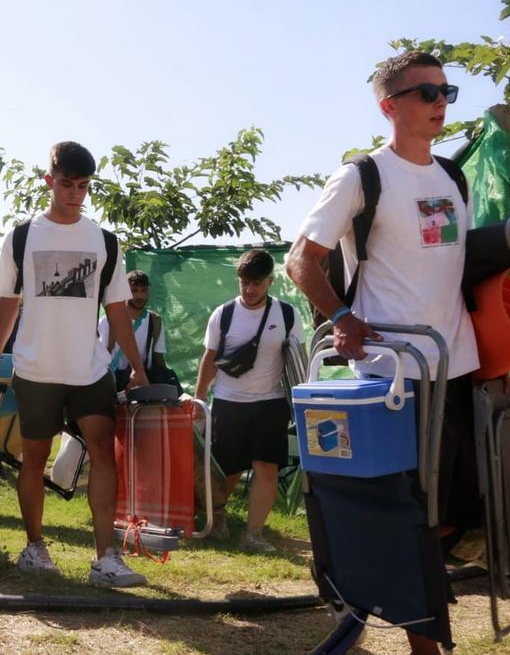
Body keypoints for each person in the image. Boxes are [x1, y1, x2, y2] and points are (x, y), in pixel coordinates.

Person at [285, 51, 478, 655]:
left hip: (459, 369)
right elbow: (300, 260)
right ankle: (418, 635)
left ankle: (380, 603)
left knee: (457, 514)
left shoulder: (454, 177)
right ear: (389, 106)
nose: (440, 101)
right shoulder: (362, 176)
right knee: (409, 516)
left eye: (447, 90)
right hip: (394, 376)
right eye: (426, 93)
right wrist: (342, 318)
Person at [0, 141, 150, 588]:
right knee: (34, 457)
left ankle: (106, 559)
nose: (75, 193)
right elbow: (7, 303)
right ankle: (35, 549)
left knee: (102, 455)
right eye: (67, 184)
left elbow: (117, 311)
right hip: (35, 368)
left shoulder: (105, 242)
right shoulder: (20, 237)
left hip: (89, 368)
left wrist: (137, 366)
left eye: (83, 186)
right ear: (48, 181)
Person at [192, 249, 302, 553]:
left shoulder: (288, 314)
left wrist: (303, 401)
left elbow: (297, 362)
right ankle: (216, 521)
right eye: (244, 282)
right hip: (229, 403)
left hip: (271, 403)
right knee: (226, 471)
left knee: (267, 468)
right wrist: (199, 402)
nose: (249, 289)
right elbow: (209, 359)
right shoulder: (223, 313)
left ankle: (254, 534)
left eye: (256, 283)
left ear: (270, 281)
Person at [97, 270, 167, 391]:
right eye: (134, 291)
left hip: (142, 383)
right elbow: (101, 357)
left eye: (143, 290)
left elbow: (159, 358)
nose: (140, 296)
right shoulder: (108, 321)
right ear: (125, 292)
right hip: (114, 385)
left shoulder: (155, 321)